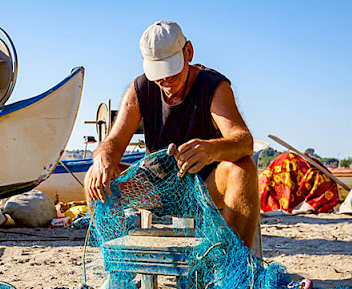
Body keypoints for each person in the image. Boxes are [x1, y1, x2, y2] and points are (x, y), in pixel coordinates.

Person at [84, 20, 259, 247]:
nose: (166, 83)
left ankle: (235, 266)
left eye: (172, 74)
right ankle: (117, 270)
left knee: (243, 169)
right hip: (153, 189)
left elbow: (244, 141)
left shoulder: (213, 86)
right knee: (95, 178)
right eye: (159, 76)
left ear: (188, 52)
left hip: (204, 187)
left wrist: (210, 149)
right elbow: (113, 143)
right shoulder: (140, 88)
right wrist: (102, 159)